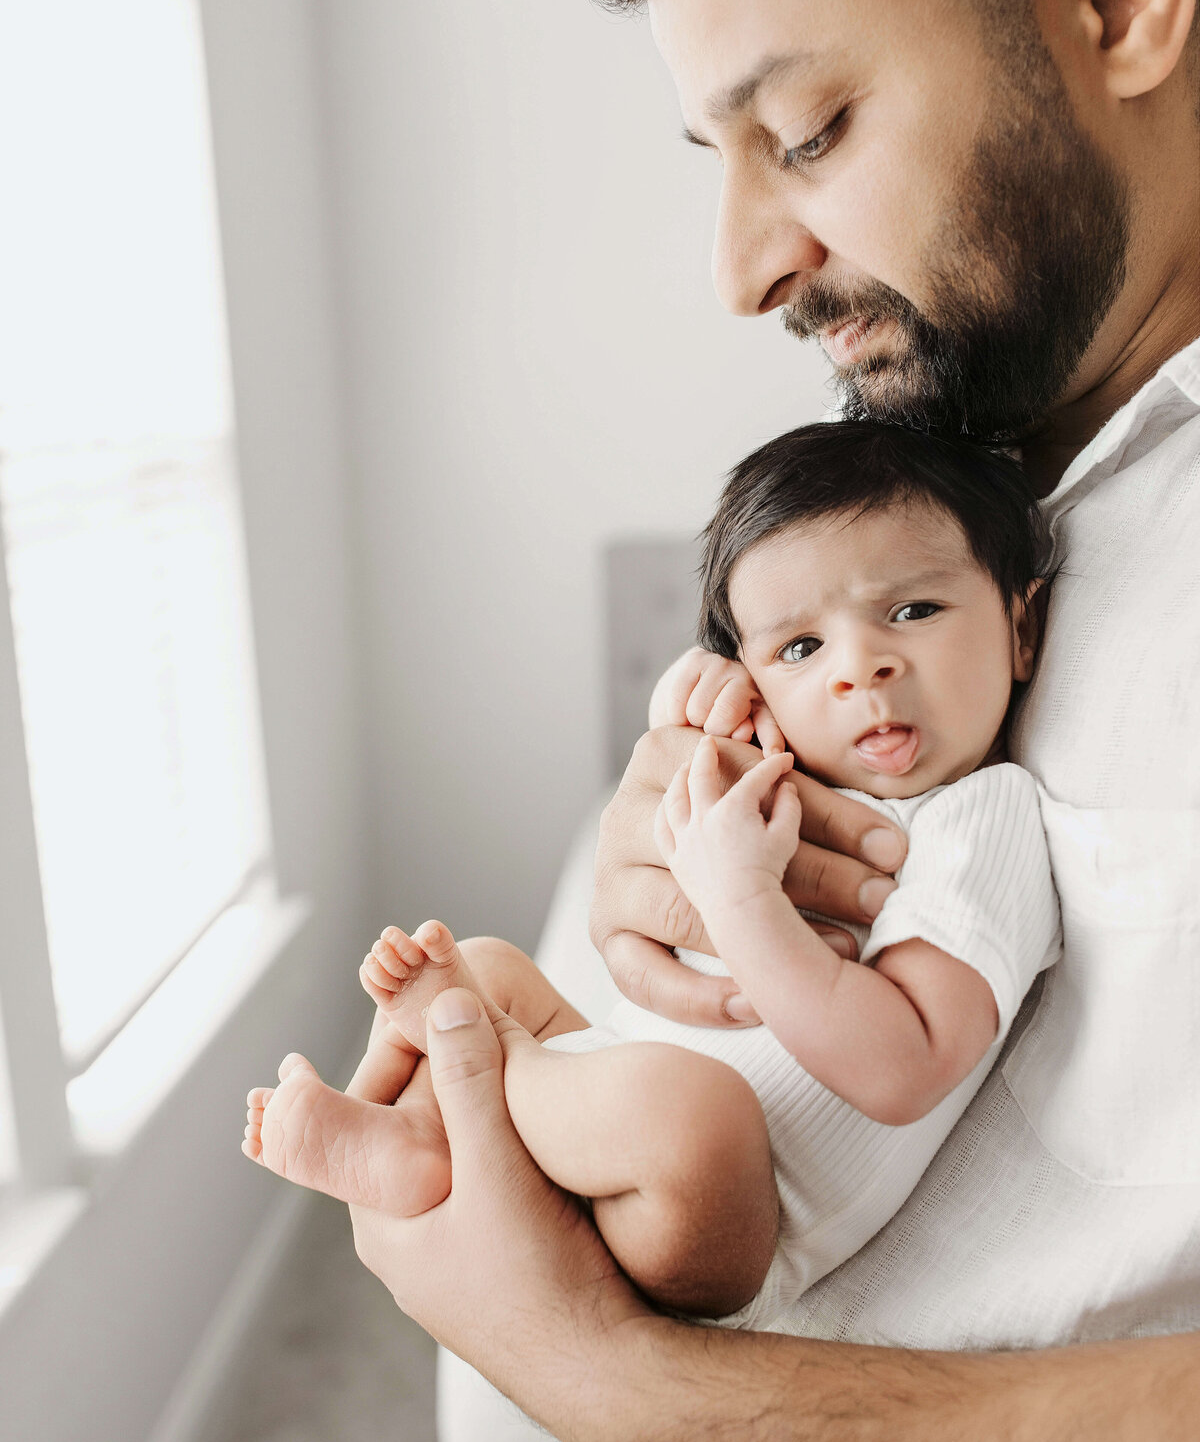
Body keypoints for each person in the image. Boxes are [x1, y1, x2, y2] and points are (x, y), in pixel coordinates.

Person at [258, 0, 1200, 1442]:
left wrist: (612, 1382)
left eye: (812, 129)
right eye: (725, 160)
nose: (745, 266)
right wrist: (662, 867)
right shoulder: (944, 448)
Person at [244, 421, 1057, 1344]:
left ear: (1020, 628)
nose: (859, 668)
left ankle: (466, 1109)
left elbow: (905, 1067)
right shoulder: (797, 775)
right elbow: (678, 773)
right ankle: (418, 1129)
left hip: (728, 1210)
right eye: (798, 650)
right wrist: (694, 711)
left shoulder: (986, 820)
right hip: (622, 1113)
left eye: (913, 611)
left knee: (684, 1106)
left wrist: (743, 900)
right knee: (485, 965)